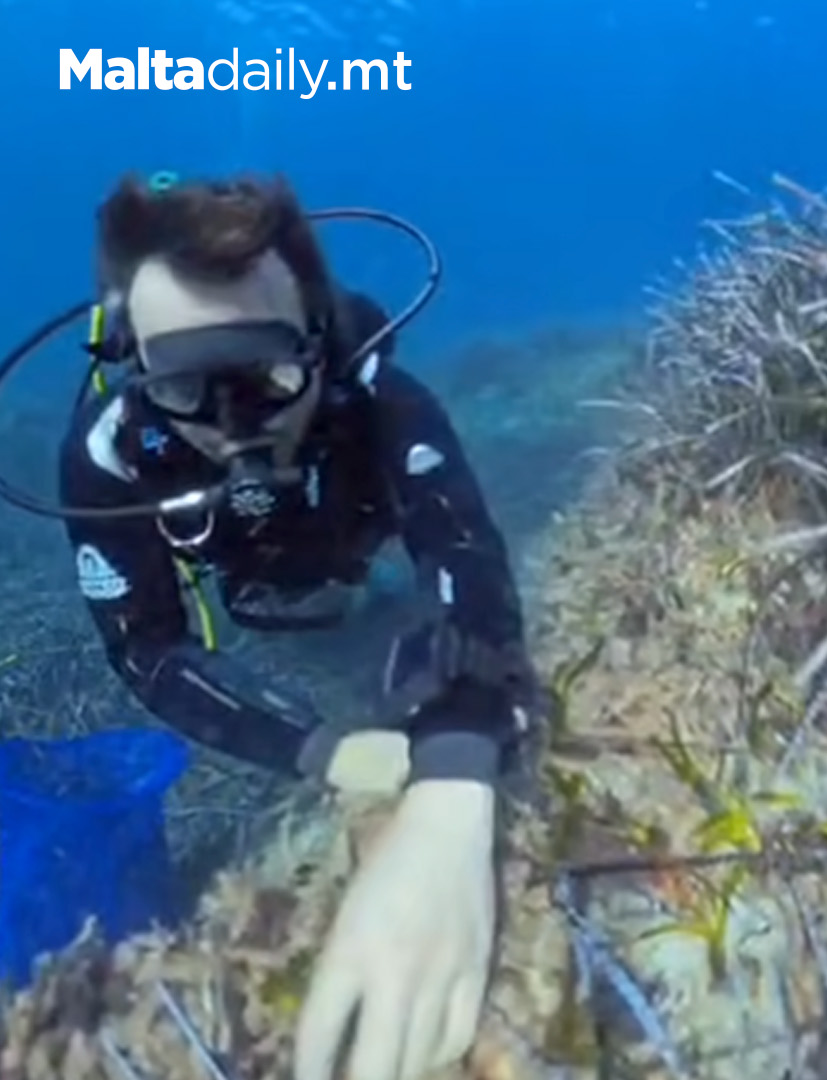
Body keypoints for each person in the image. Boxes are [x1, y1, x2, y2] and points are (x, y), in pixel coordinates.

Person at [51, 173, 531, 1080]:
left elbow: (465, 559)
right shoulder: (112, 453)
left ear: (316, 339)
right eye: (187, 387)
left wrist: (456, 783)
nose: (233, 430)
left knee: (387, 605)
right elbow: (146, 650)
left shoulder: (379, 397)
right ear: (131, 362)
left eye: (265, 376)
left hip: (359, 557)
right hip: (247, 594)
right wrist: (323, 750)